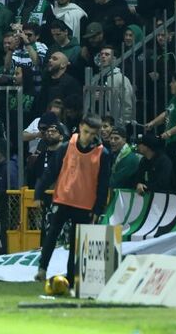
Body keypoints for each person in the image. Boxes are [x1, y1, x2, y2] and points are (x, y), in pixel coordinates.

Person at [34, 114, 111, 286]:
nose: (88, 136)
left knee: (76, 245)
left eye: (92, 133)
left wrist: (98, 209)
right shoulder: (66, 147)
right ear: (80, 127)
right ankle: (42, 269)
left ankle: (71, 277)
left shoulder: (102, 153)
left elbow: (103, 184)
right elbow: (51, 172)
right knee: (51, 234)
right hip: (63, 198)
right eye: (85, 131)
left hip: (85, 204)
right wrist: (38, 193)